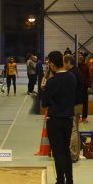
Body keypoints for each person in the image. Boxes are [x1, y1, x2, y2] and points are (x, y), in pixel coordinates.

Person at [42, 51, 76, 184]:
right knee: (66, 150)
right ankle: (70, 180)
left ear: (52, 63)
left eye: (49, 62)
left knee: (58, 152)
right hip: (68, 119)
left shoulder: (52, 81)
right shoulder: (72, 77)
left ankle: (60, 180)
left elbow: (44, 104)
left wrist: (45, 90)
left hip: (55, 120)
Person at [63, 54, 83, 163]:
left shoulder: (72, 74)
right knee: (76, 130)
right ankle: (77, 153)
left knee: (73, 130)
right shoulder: (76, 71)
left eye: (64, 63)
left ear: (68, 62)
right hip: (78, 104)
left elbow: (71, 92)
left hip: (74, 105)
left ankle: (73, 155)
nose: (63, 65)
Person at [78, 52, 90, 123]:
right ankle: (78, 117)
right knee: (78, 103)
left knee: (85, 103)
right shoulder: (75, 66)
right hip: (77, 87)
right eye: (79, 55)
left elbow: (88, 76)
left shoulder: (86, 66)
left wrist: (88, 86)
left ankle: (84, 117)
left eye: (81, 55)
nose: (80, 56)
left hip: (85, 87)